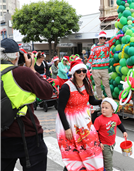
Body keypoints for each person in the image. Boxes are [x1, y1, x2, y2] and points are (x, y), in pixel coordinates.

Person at [0, 38, 53, 171]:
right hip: (27, 135)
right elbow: (47, 92)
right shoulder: (22, 72)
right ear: (17, 56)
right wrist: (32, 69)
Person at [56, 59, 103, 171]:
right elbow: (60, 108)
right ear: (73, 73)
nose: (81, 73)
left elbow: (92, 101)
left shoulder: (87, 83)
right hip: (69, 121)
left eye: (83, 71)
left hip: (84, 120)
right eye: (78, 71)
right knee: (73, 151)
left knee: (90, 147)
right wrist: (67, 128)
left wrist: (104, 101)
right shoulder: (66, 87)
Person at [94, 98, 128, 171]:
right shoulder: (98, 120)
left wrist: (124, 131)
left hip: (112, 143)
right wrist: (99, 142)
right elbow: (95, 132)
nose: (103, 109)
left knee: (105, 160)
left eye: (106, 108)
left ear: (112, 110)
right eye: (102, 107)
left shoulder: (115, 117)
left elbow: (119, 124)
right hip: (104, 145)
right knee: (108, 162)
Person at [87, 31, 119, 99]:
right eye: (101, 38)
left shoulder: (107, 44)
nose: (102, 39)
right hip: (95, 69)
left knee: (106, 85)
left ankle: (110, 99)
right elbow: (91, 57)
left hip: (104, 69)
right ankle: (99, 100)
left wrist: (118, 36)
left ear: (105, 38)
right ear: (99, 38)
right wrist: (87, 65)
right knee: (97, 85)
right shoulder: (94, 47)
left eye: (104, 38)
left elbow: (113, 40)